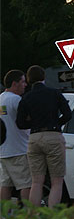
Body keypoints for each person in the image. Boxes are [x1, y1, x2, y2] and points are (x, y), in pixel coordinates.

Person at [16, 65, 72, 207]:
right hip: (53, 136)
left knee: (36, 181)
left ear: (28, 80)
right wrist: (55, 123)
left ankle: (33, 215)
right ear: (44, 77)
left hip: (34, 138)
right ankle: (51, 214)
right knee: (57, 181)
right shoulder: (55, 93)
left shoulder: (26, 98)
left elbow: (20, 123)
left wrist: (35, 123)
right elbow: (68, 114)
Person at [0, 70, 31, 203]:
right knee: (26, 184)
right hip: (19, 149)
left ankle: (4, 216)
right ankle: (27, 215)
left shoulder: (1, 98)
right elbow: (28, 119)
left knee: (5, 184)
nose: (25, 85)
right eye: (23, 81)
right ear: (14, 83)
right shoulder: (16, 100)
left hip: (3, 150)